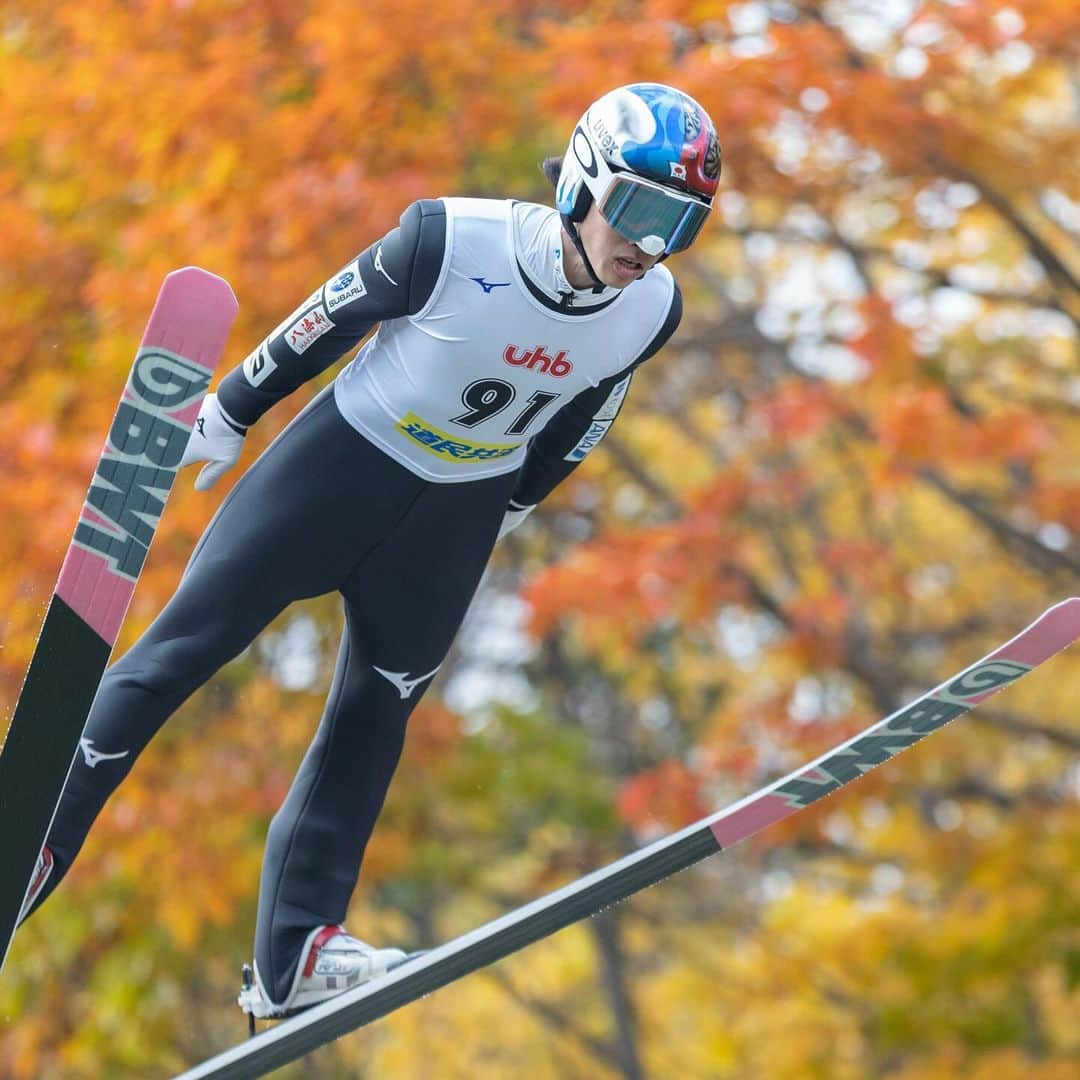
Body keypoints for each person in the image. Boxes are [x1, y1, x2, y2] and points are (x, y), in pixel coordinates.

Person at [19, 82, 722, 1018]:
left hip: (452, 517)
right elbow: (326, 317)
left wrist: (515, 503)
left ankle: (296, 952)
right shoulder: (451, 238)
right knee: (177, 656)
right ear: (585, 181)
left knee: (375, 718)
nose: (652, 246)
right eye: (640, 212)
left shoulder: (651, 308)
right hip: (338, 471)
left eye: (681, 224)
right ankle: (32, 841)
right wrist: (230, 408)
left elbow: (589, 412)